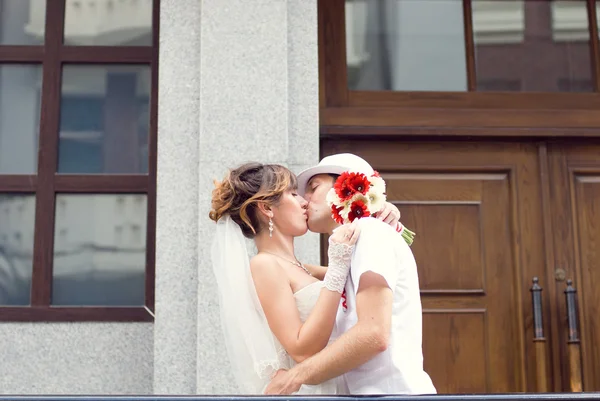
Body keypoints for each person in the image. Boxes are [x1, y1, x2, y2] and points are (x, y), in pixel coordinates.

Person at [209, 162, 402, 394]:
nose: (304, 202)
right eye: (292, 194)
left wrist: (378, 212)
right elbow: (301, 349)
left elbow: (356, 275)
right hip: (310, 393)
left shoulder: (300, 268)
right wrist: (337, 266)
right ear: (267, 208)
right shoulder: (264, 265)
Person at [264, 153, 436, 395]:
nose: (305, 200)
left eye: (313, 188)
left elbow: (373, 333)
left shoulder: (370, 232)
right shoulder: (351, 245)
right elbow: (328, 276)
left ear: (344, 189)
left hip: (393, 394)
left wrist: (295, 377)